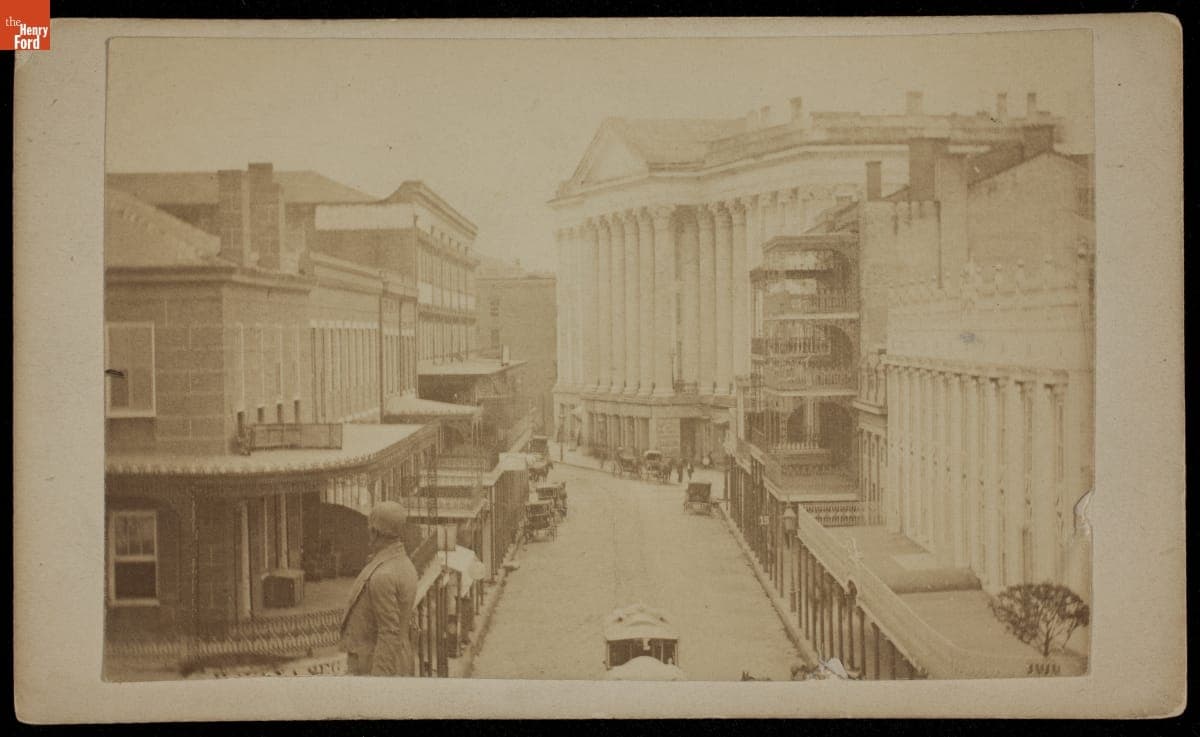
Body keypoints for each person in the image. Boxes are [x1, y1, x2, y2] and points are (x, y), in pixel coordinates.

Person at [340, 501, 418, 676]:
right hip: (397, 659)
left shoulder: (383, 575)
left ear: (374, 533)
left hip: (374, 665)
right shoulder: (404, 564)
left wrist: (379, 683)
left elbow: (389, 633)